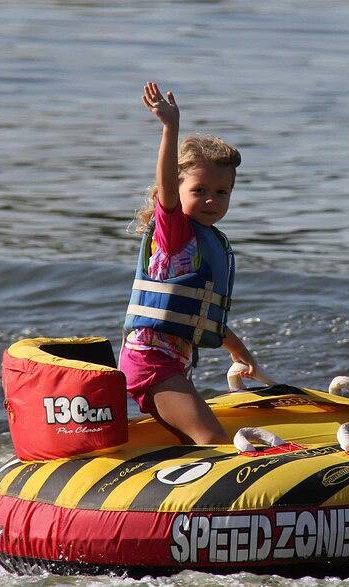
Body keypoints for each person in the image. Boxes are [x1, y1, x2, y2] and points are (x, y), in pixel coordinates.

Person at [120, 81, 259, 444]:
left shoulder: (209, 240)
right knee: (212, 439)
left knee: (189, 443)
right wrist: (170, 127)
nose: (211, 201)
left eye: (221, 192)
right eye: (199, 191)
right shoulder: (175, 232)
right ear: (178, 190)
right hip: (150, 363)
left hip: (172, 365)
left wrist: (238, 351)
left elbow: (200, 315)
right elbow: (166, 187)